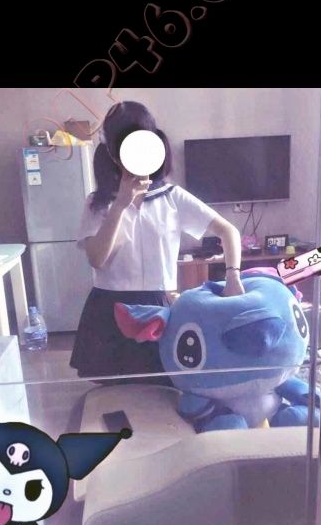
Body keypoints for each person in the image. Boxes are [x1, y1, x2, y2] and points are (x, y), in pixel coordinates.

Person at [70, 101, 245, 379]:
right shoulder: (98, 202)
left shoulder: (172, 197)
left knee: (163, 388)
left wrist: (233, 275)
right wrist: (120, 206)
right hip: (108, 309)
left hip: (158, 306)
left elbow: (228, 231)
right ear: (113, 154)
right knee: (113, 394)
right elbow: (97, 259)